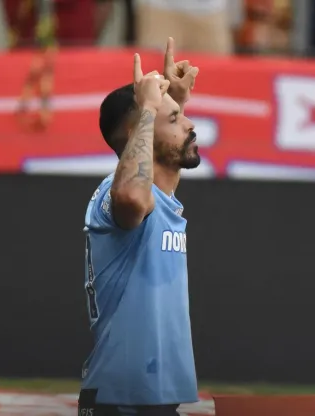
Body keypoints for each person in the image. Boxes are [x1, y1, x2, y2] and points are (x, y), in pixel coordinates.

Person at [78, 37, 201, 416]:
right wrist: (150, 106)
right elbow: (133, 197)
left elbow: (147, 184)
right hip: (122, 401)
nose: (191, 125)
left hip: (153, 401)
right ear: (139, 134)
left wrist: (172, 102)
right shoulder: (117, 194)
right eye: (177, 120)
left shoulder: (160, 200)